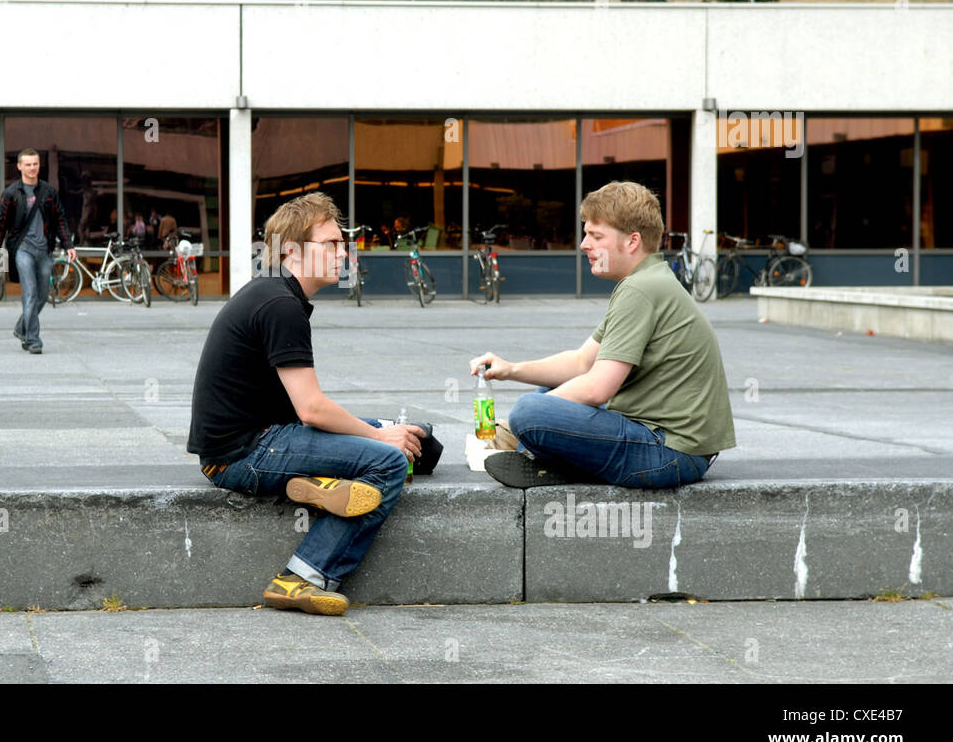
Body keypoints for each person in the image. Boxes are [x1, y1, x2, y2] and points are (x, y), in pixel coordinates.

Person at [187, 192, 427, 616]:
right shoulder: (281, 305)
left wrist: (383, 431)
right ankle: (303, 578)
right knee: (389, 461)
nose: (343, 253)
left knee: (419, 441)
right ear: (293, 251)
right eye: (331, 244)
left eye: (343, 243)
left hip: (266, 435)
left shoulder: (277, 294)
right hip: (241, 454)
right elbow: (311, 409)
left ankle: (323, 484)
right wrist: (376, 437)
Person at [470, 180, 735, 489]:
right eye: (586, 234)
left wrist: (523, 425)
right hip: (677, 447)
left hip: (669, 452)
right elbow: (583, 362)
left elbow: (598, 388)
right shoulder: (647, 279)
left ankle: (548, 458)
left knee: (530, 410)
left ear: (632, 241)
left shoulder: (641, 288)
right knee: (543, 398)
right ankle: (555, 457)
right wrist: (511, 370)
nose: (584, 244)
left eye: (595, 236)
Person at [0, 149, 77, 355]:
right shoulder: (11, 193)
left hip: (44, 250)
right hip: (22, 250)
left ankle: (21, 328)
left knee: (43, 295)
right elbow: (0, 226)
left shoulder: (48, 192)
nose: (32, 168)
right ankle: (33, 339)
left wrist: (68, 245)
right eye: (27, 164)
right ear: (19, 166)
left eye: (35, 164)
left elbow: (60, 219)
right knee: (30, 293)